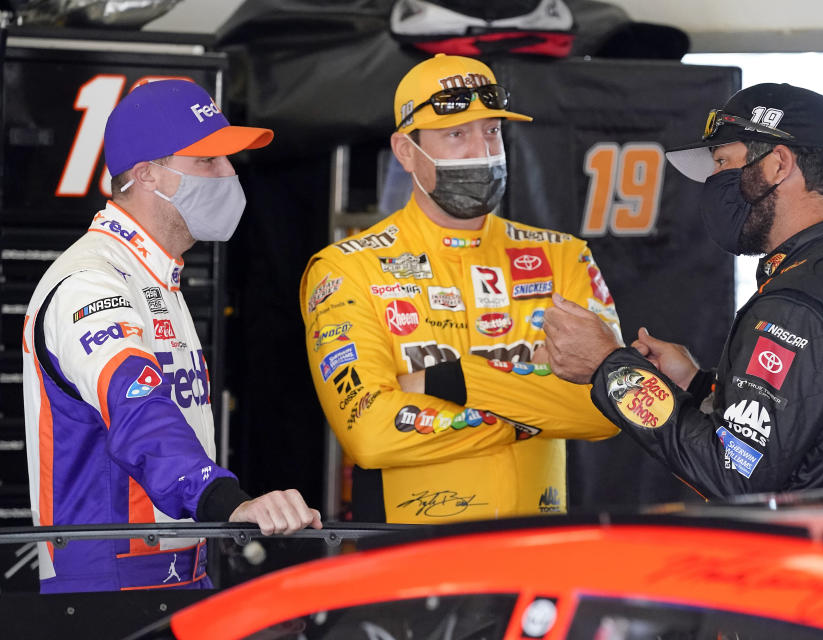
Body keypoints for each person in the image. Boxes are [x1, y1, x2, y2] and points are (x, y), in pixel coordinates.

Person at [541, 83, 823, 498]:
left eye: (721, 162)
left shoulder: (798, 299)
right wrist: (697, 385)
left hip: (799, 552)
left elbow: (733, 475)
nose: (714, 182)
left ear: (778, 164)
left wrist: (609, 366)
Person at [21, 79, 322, 593]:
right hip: (106, 582)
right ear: (145, 174)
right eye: (209, 161)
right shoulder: (91, 281)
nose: (230, 174)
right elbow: (139, 410)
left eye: (229, 160)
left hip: (181, 570)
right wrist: (229, 503)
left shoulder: (155, 275)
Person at [300, 54, 620, 523]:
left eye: (491, 131)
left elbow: (611, 405)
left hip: (536, 552)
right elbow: (369, 432)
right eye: (456, 135)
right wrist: (533, 410)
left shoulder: (563, 257)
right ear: (406, 151)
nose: (481, 150)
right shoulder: (347, 268)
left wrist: (452, 383)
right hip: (410, 559)